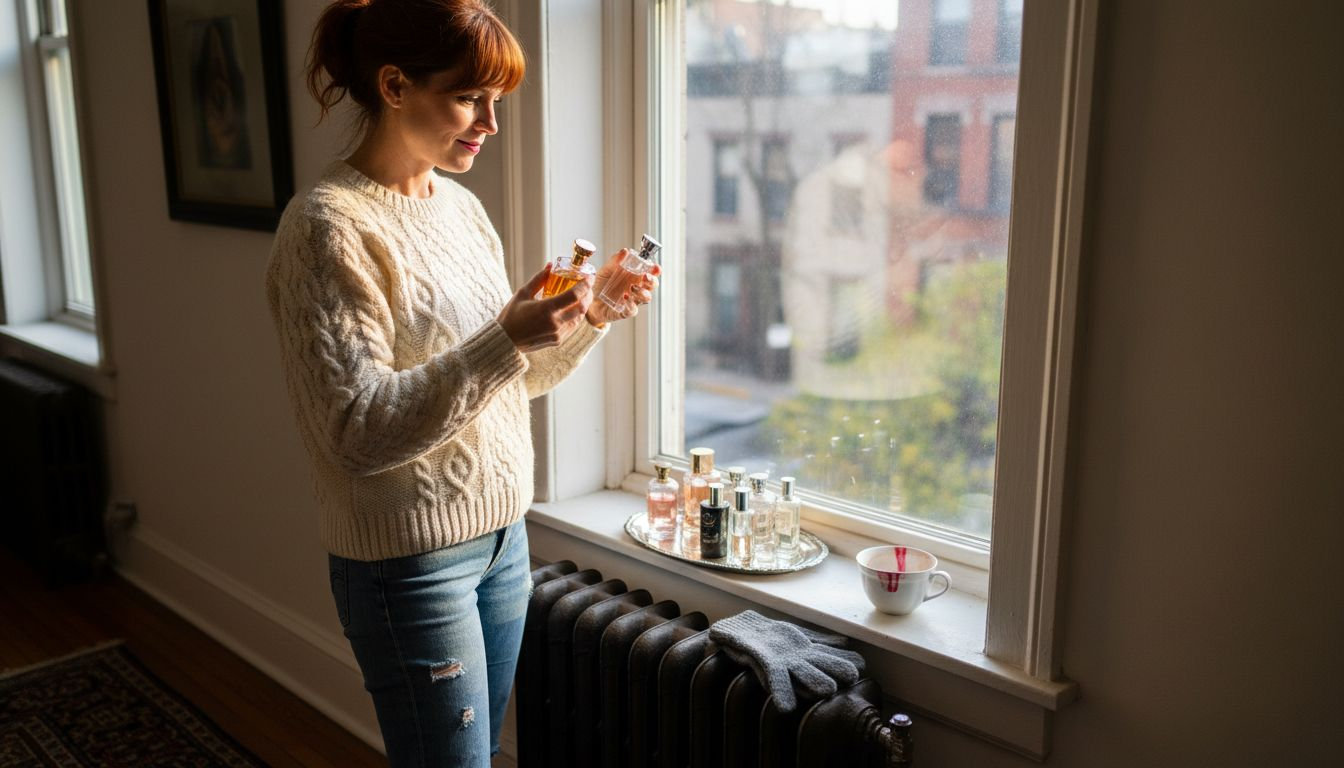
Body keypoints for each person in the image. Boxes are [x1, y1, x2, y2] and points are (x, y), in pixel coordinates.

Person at [264, 1, 657, 764]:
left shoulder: (463, 209)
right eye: (470, 97)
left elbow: (507, 383)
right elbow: (354, 433)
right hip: (410, 565)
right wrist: (502, 340)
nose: (491, 123)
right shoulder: (325, 228)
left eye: (497, 100)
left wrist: (594, 312)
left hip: (505, 539)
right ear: (394, 86)